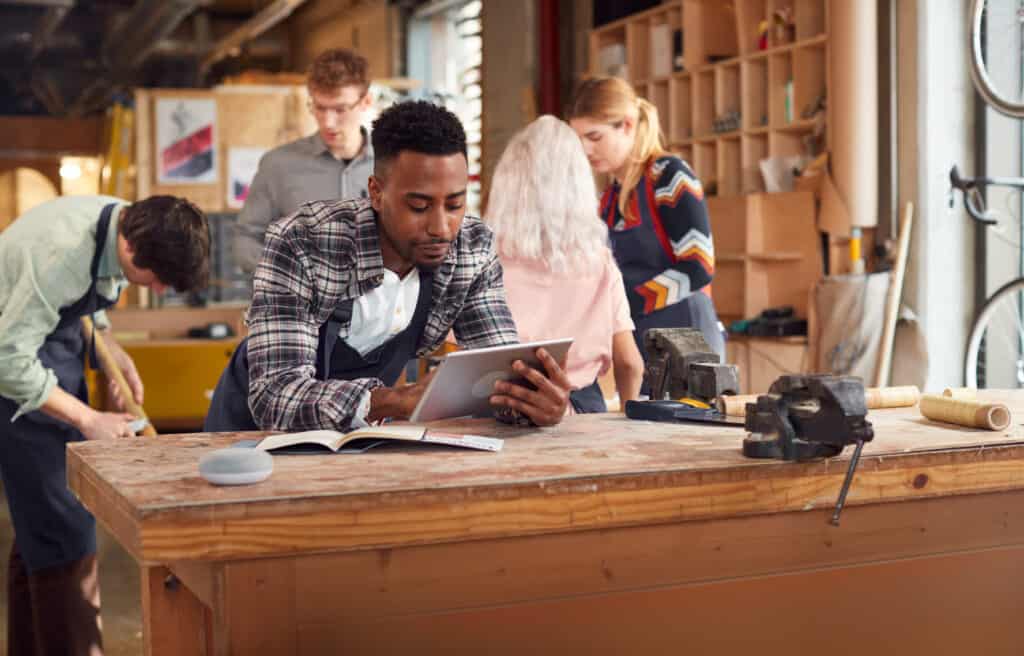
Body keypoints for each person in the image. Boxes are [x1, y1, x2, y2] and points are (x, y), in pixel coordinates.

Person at [205, 100, 572, 433]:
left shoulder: (470, 249)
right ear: (376, 193)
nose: (441, 227)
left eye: (455, 204)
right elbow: (276, 396)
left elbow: (498, 370)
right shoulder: (302, 242)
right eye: (418, 206)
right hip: (250, 438)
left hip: (358, 435)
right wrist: (397, 401)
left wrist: (531, 403)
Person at [0, 194, 209, 656]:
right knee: (65, 528)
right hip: (11, 362)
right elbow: (8, 362)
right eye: (154, 281)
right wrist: (89, 418)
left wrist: (108, 348)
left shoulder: (126, 218)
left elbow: (83, 301)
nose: (156, 291)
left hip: (46, 337)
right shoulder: (59, 257)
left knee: (39, 526)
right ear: (131, 248)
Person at [484, 115, 644, 413]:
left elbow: (455, 354)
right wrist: (629, 416)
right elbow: (629, 362)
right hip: (583, 409)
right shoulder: (599, 262)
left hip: (501, 406)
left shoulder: (486, 260)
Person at [568, 76, 725, 361]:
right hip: (641, 341)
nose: (585, 149)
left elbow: (698, 266)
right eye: (579, 139)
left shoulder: (670, 177)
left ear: (627, 125)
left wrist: (627, 304)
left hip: (687, 342)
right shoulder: (609, 198)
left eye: (594, 137)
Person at [233, 48, 376, 273]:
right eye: (319, 107)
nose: (328, 122)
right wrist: (285, 275)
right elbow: (246, 238)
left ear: (366, 102)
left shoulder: (395, 165)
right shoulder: (278, 165)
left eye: (340, 109)